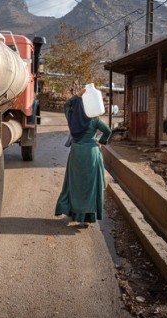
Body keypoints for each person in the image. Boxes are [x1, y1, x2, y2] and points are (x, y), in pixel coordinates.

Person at [55, 87, 111, 228]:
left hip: (76, 154)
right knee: (89, 186)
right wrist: (101, 142)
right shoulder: (95, 119)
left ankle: (74, 213)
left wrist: (77, 96)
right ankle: (87, 218)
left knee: (75, 184)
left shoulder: (72, 117)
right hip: (92, 154)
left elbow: (67, 105)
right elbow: (108, 131)